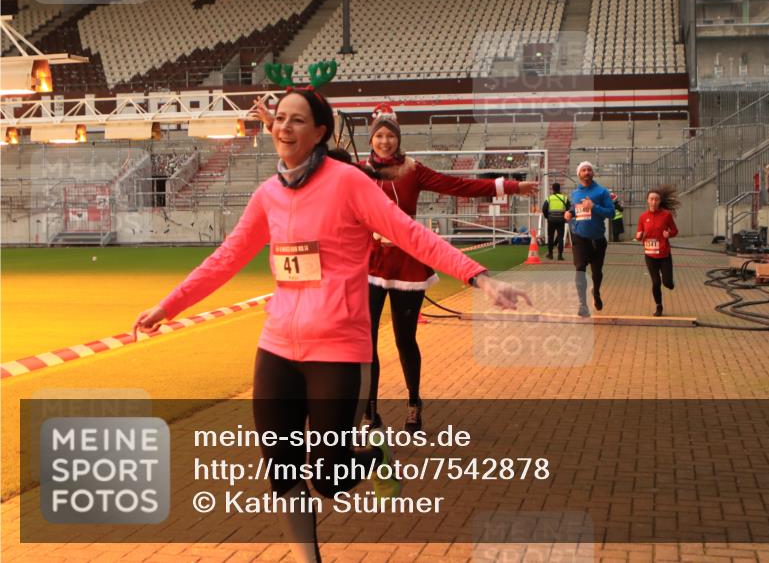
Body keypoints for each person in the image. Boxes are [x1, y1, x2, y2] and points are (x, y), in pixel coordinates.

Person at [134, 89, 529, 563]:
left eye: (297, 120)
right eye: (280, 119)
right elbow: (226, 259)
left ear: (320, 132)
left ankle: (373, 457)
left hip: (337, 348)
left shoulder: (348, 183)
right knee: (282, 472)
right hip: (277, 349)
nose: (285, 127)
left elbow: (411, 234)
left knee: (326, 477)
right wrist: (167, 306)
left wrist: (479, 277)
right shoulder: (267, 195)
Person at [361, 103, 538, 433]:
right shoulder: (358, 172)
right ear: (371, 140)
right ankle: (370, 412)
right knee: (365, 342)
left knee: (405, 340)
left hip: (407, 263)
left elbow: (458, 186)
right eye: (379, 136)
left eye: (390, 136)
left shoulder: (414, 170)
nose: (384, 142)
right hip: (370, 263)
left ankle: (414, 403)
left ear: (398, 140)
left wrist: (510, 186)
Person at [563, 161, 614, 317]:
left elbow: (611, 213)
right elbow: (574, 208)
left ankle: (596, 292)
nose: (586, 172)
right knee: (579, 269)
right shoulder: (575, 194)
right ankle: (582, 304)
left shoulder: (602, 192)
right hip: (579, 238)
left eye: (589, 170)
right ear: (579, 174)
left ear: (593, 174)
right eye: (583, 170)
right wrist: (569, 214)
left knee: (597, 273)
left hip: (597, 239)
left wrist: (594, 207)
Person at [635, 185, 680, 317]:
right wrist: (638, 236)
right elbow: (639, 233)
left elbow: (675, 231)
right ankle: (659, 306)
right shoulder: (643, 217)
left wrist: (669, 234)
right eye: (651, 199)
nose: (654, 202)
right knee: (656, 282)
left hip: (664, 254)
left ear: (660, 201)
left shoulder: (666, 215)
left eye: (656, 199)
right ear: (647, 200)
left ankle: (670, 283)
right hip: (650, 255)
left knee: (667, 283)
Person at [541, 181, 569, 260]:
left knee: (550, 237)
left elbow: (544, 209)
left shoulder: (549, 198)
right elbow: (569, 209)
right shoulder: (564, 198)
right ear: (559, 189)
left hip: (551, 220)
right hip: (561, 220)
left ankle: (550, 254)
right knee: (560, 237)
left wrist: (547, 217)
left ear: (552, 189)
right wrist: (565, 217)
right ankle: (560, 255)